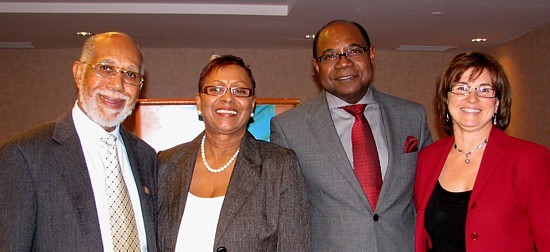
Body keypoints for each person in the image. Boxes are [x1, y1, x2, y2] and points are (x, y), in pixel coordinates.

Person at [270, 20, 432, 251]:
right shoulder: (289, 128)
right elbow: (284, 217)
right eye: (329, 56)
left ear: (371, 54)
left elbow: (431, 196)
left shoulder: (412, 116)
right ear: (316, 66)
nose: (343, 63)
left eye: (354, 51)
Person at [0, 32, 157, 251]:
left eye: (129, 74)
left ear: (140, 86)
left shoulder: (147, 157)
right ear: (79, 73)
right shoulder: (25, 155)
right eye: (106, 68)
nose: (117, 84)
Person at [157, 55, 310, 251]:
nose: (228, 98)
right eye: (216, 89)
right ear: (199, 101)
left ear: (252, 104)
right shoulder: (166, 164)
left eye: (239, 90)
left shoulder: (279, 166)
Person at [414, 52, 550, 251]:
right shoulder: (427, 159)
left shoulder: (530, 159)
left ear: (497, 103)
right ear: (446, 98)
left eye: (484, 90)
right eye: (461, 88)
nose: (472, 98)